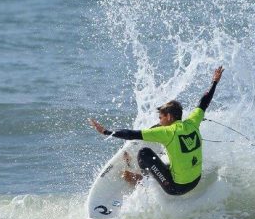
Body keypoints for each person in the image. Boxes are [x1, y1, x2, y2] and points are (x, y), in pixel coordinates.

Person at [89, 66, 224, 195]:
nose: (159, 122)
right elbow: (204, 102)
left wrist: (106, 131)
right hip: (195, 180)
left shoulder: (166, 133)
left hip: (176, 188)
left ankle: (142, 181)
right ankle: (164, 171)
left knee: (144, 153)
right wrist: (214, 82)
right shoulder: (193, 122)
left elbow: (131, 134)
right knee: (168, 158)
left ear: (169, 116)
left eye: (161, 118)